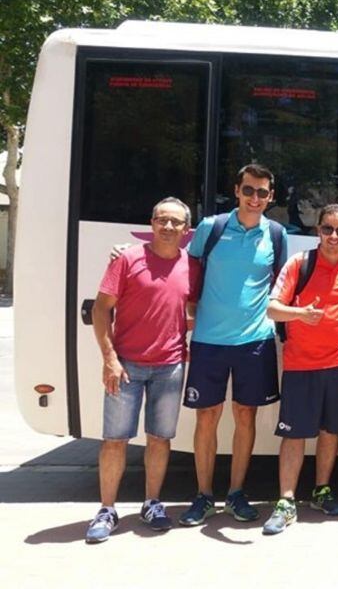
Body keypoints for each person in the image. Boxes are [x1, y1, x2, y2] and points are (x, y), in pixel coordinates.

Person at [85, 198, 201, 543]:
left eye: (175, 223)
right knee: (115, 440)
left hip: (170, 366)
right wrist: (109, 358)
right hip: (126, 366)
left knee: (160, 438)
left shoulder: (192, 266)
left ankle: (152, 504)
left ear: (186, 230)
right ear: (152, 223)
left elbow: (193, 306)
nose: (168, 227)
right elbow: (101, 310)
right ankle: (107, 509)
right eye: (162, 220)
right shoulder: (127, 259)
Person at [179, 164, 287, 526]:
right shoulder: (212, 227)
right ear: (237, 190)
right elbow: (185, 270)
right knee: (207, 417)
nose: (255, 198)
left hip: (255, 341)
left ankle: (236, 493)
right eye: (249, 190)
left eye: (262, 192)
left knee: (245, 415)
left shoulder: (276, 234)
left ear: (270, 197)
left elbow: (281, 285)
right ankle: (203, 496)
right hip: (209, 341)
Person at [262, 204, 338, 534]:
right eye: (327, 229)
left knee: (331, 431)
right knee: (293, 435)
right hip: (301, 365)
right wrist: (301, 313)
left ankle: (322, 491)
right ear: (317, 230)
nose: (334, 236)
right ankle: (286, 501)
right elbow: (272, 309)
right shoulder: (299, 264)